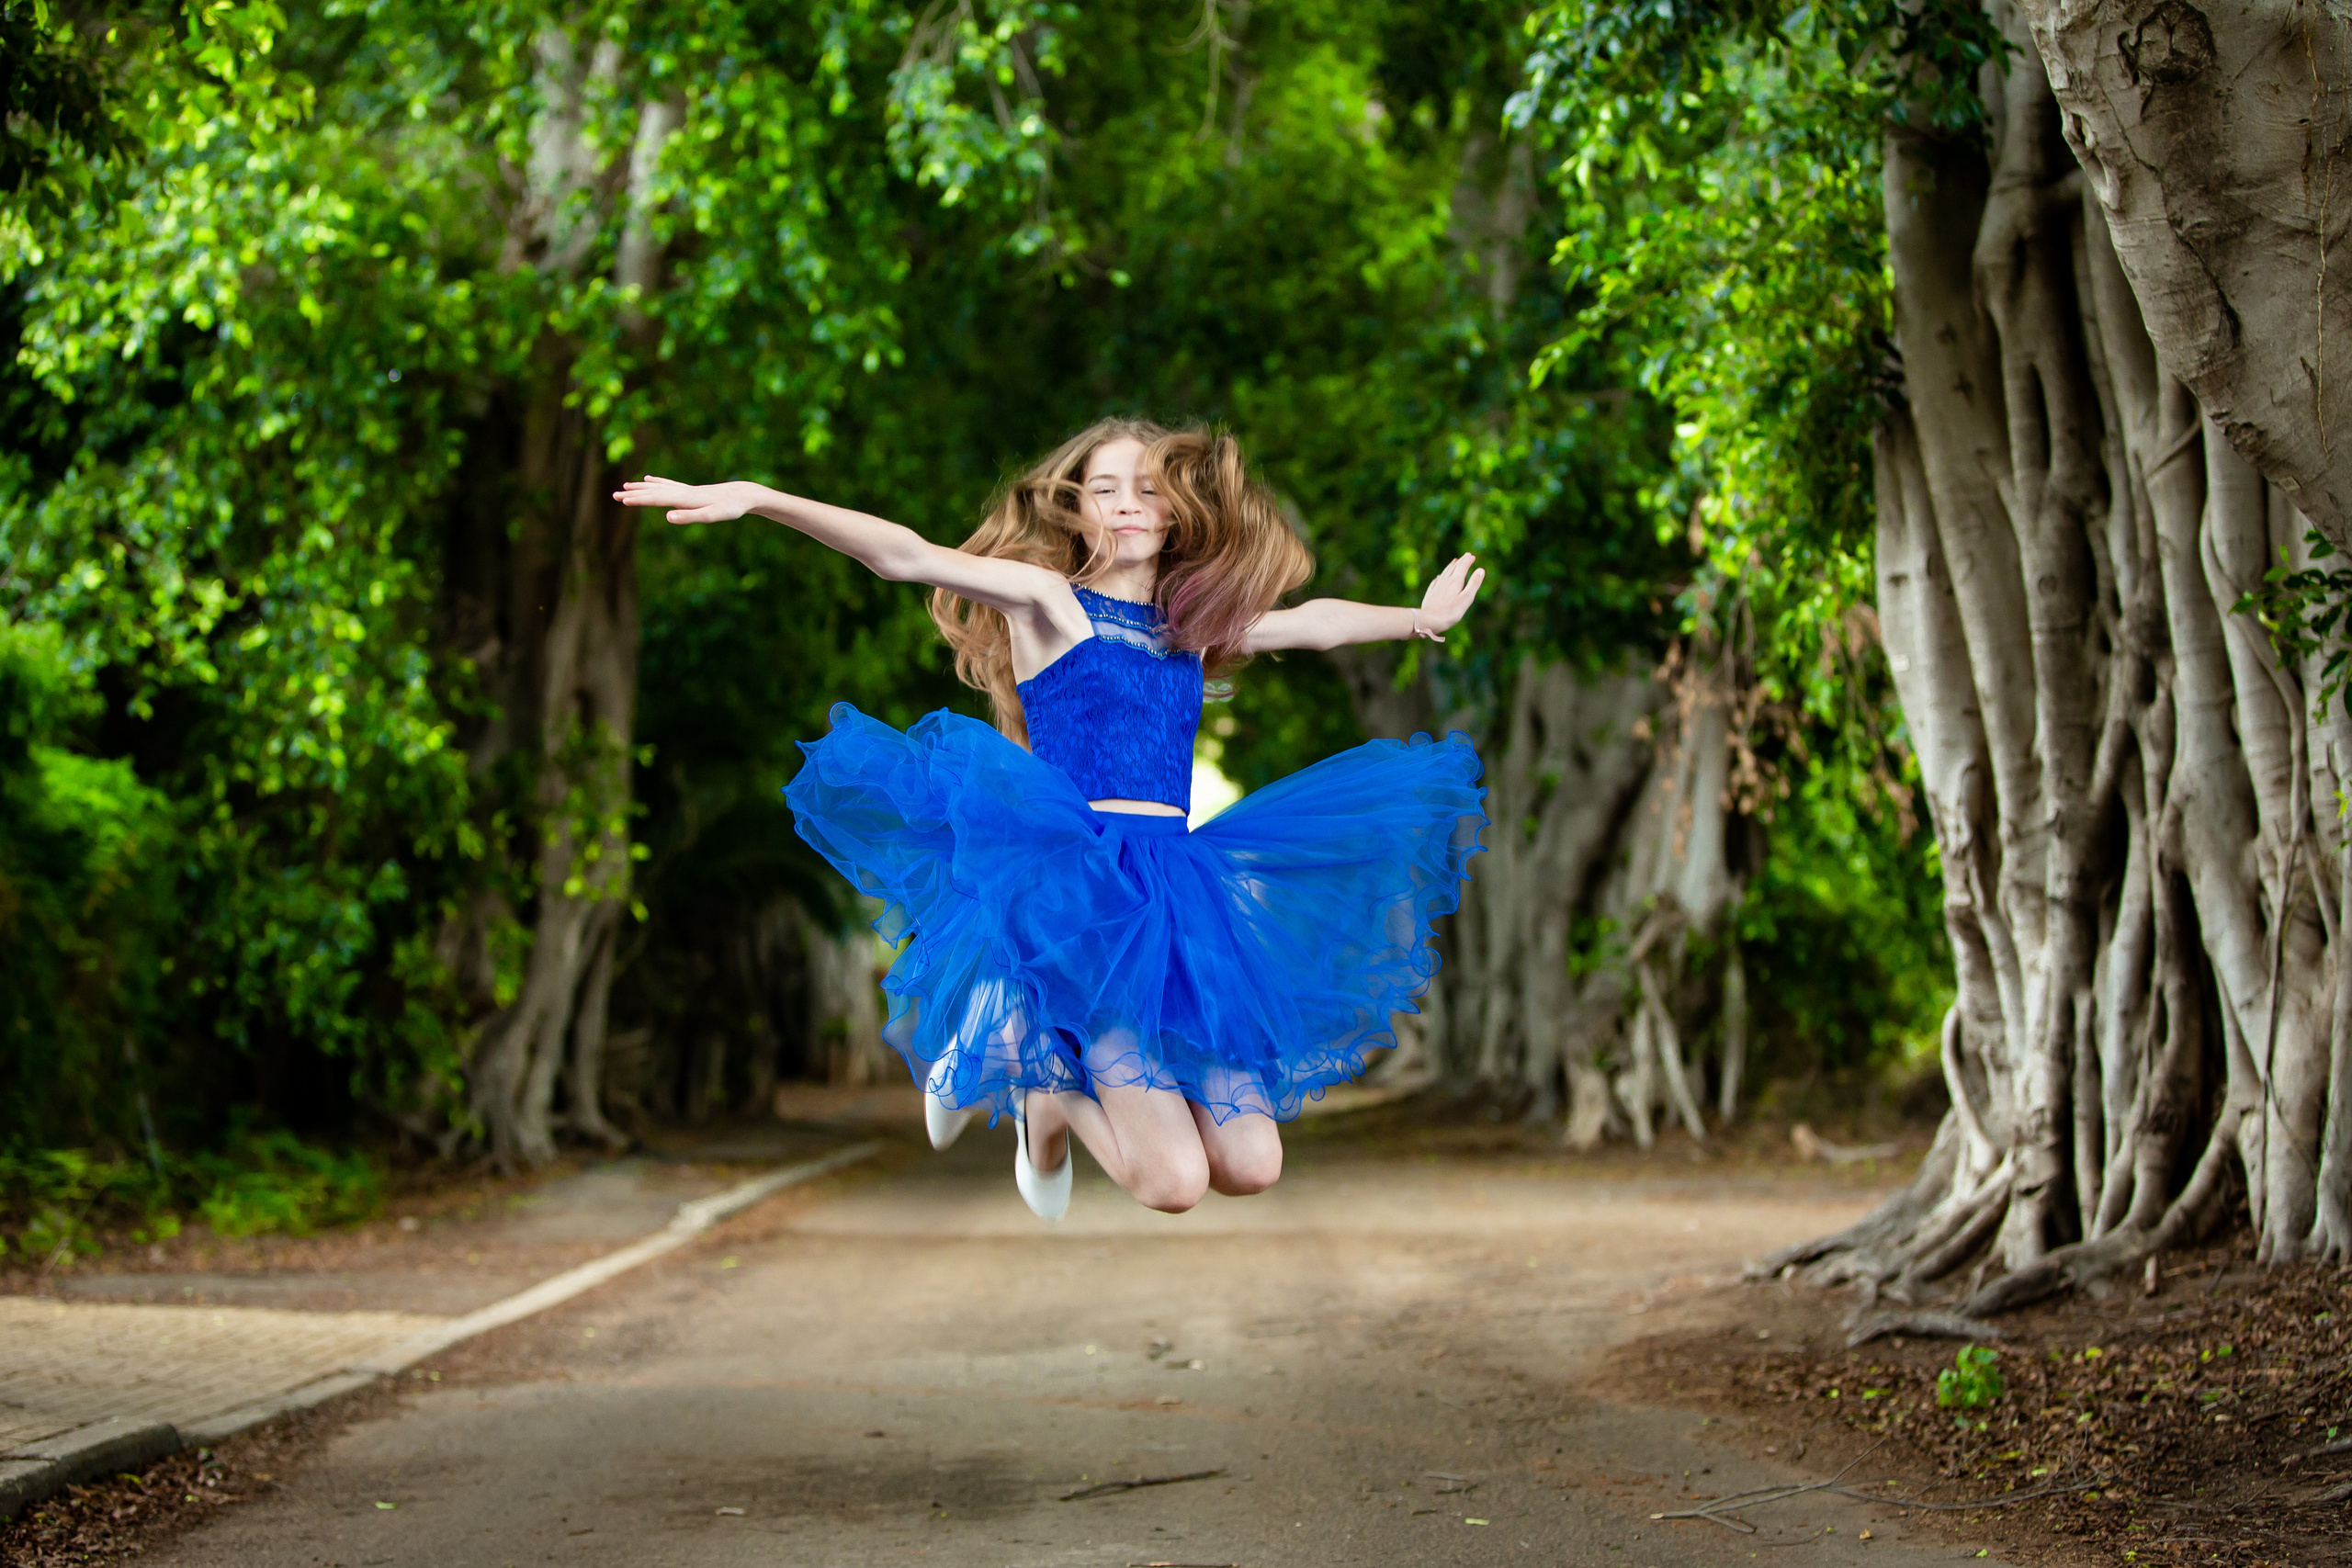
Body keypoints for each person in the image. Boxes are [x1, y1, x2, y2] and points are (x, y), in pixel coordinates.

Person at [616, 419, 1486, 1220]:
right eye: (1106, 488)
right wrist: (760, 498)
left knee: (1253, 1164)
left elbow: (1309, 625)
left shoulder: (1188, 628)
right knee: (1176, 1184)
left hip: (1177, 891)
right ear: (1078, 508)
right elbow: (905, 555)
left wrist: (1418, 618)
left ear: (1179, 508)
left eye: (1148, 487)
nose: (1129, 504)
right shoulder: (1049, 601)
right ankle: (1044, 1073)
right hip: (1078, 893)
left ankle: (1047, 1064)